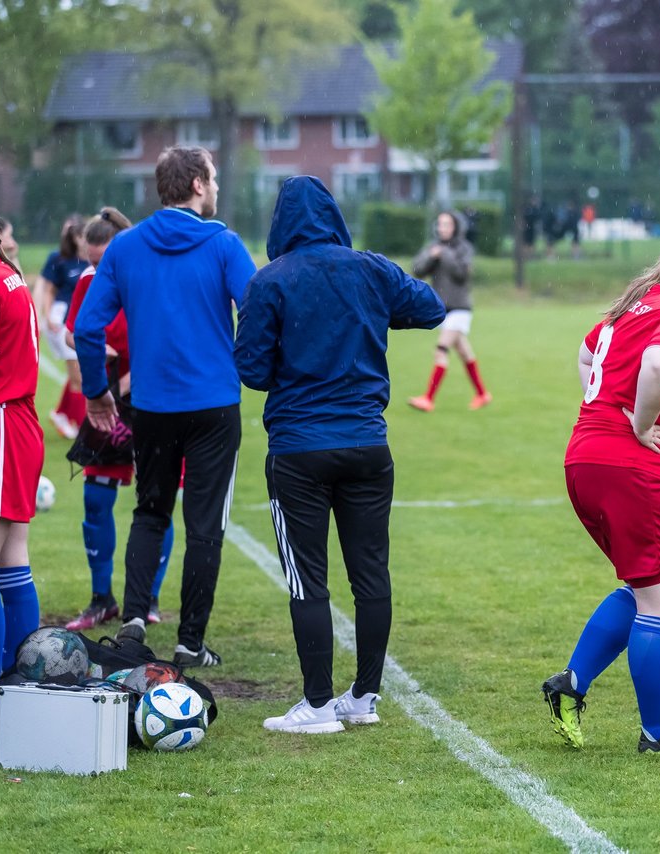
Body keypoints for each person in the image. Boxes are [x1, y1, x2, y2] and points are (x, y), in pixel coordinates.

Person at [237, 177, 445, 733]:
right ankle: (365, 696)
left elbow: (252, 371)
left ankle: (319, 704)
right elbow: (431, 308)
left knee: (308, 579)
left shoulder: (270, 281)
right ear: (334, 215)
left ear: (279, 224)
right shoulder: (370, 268)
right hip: (366, 445)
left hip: (300, 449)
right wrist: (372, 308)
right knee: (370, 573)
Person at [541, 236, 660, 757]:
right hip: (636, 470)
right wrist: (641, 422)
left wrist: (608, 411)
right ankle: (658, 734)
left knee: (643, 586)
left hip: (586, 459)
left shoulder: (636, 305)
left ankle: (571, 685)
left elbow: (586, 356)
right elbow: (657, 365)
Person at [75, 146, 256, 667]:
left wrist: (96, 392)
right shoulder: (224, 244)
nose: (216, 187)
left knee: (150, 512)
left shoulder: (125, 248)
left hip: (152, 406)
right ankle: (190, 642)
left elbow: (88, 327)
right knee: (205, 525)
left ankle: (133, 624)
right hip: (214, 406)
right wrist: (245, 364)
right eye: (214, 178)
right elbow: (259, 312)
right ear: (198, 184)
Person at [63, 208, 176, 631]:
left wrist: (130, 379)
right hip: (105, 400)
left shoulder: (151, 281)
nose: (96, 269)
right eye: (90, 261)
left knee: (154, 501)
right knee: (96, 498)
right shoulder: (91, 282)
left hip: (151, 401)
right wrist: (96, 353)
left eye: (102, 260)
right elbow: (73, 330)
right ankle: (101, 599)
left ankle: (147, 599)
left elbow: (170, 338)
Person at [0, 196, 43, 684]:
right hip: (20, 423)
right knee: (11, 562)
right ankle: (21, 682)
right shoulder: (9, 274)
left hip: (1, 424)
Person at [408, 211, 491, 412]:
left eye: (446, 224)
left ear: (456, 227)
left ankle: (428, 398)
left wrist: (445, 254)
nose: (442, 228)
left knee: (441, 348)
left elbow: (461, 274)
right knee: (463, 351)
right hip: (442, 310)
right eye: (440, 224)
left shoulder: (464, 248)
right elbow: (417, 269)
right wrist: (431, 256)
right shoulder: (433, 247)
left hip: (460, 308)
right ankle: (482, 394)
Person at [35, 214, 88, 440]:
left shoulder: (90, 260)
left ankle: (61, 413)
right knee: (78, 375)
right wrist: (47, 316)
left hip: (82, 323)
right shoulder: (58, 259)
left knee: (80, 372)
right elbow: (49, 289)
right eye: (79, 235)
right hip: (64, 323)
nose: (83, 240)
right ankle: (82, 427)